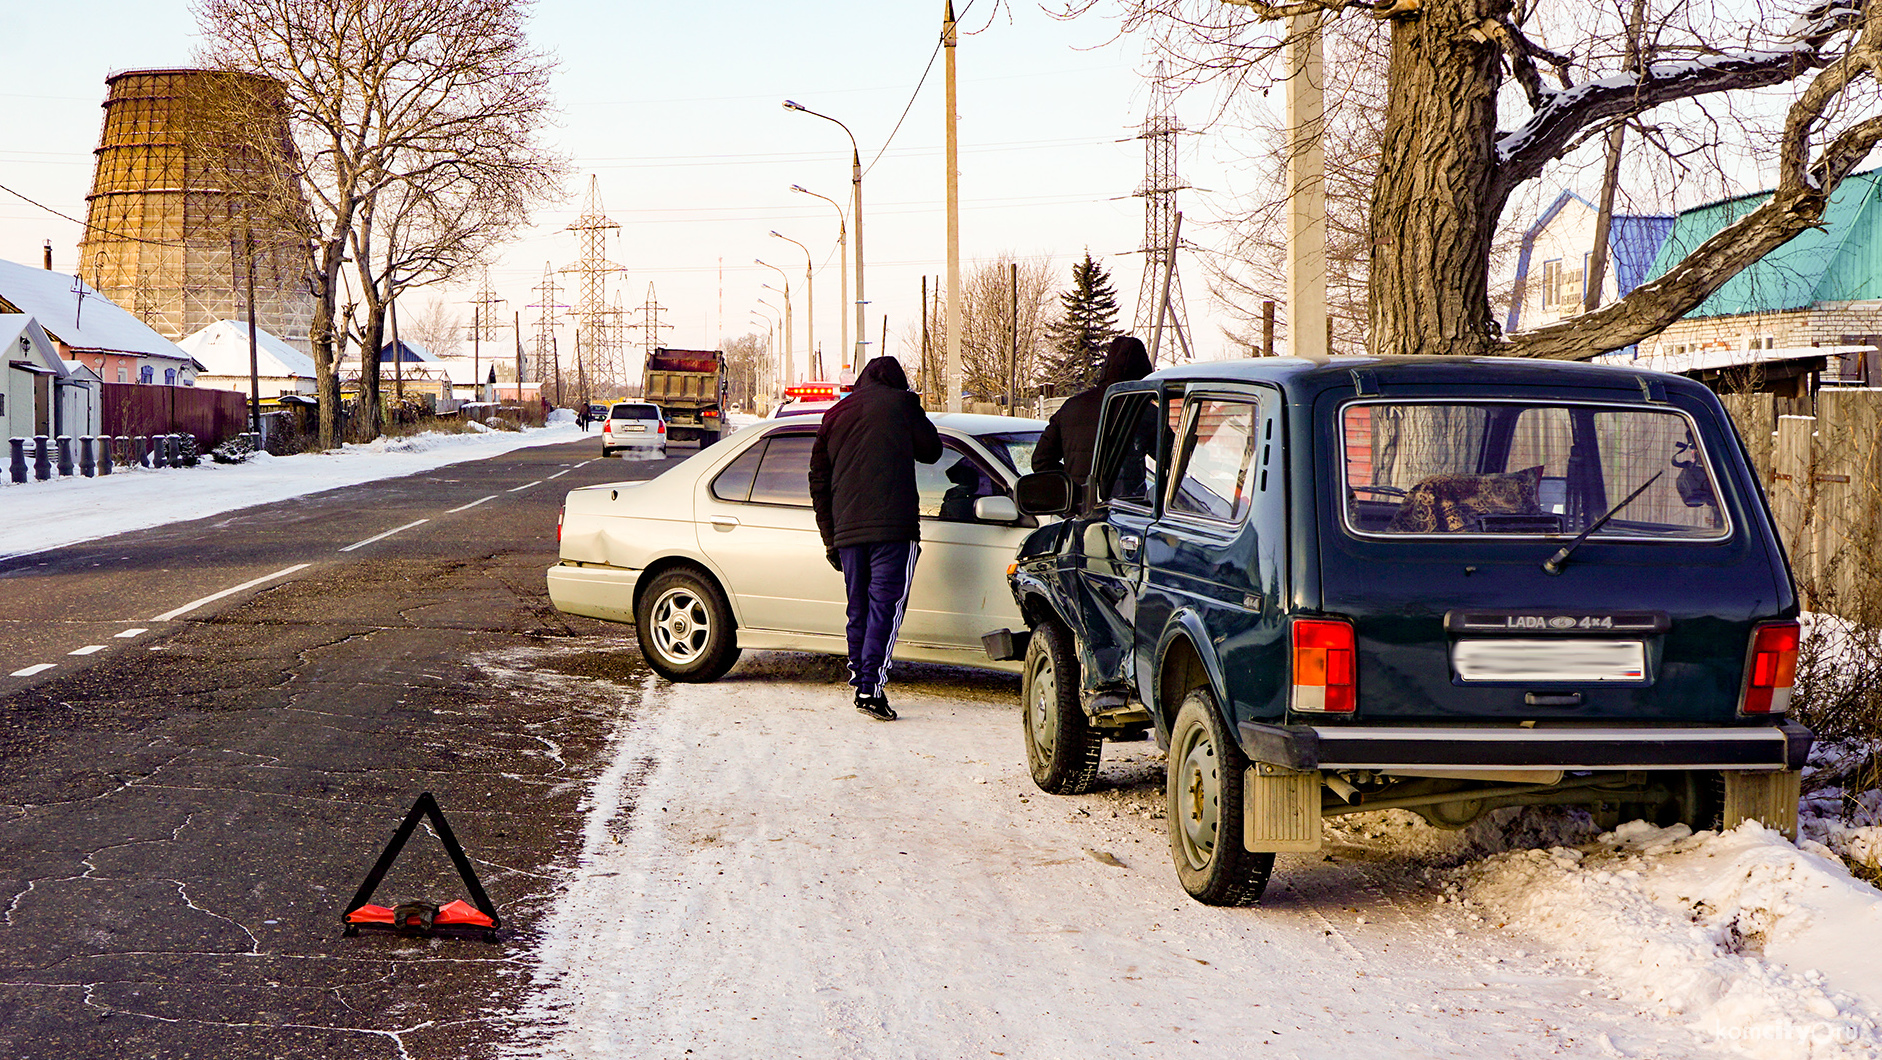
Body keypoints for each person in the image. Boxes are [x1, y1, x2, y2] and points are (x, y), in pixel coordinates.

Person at [809, 356, 943, 721]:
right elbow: (932, 451)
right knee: (885, 608)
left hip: (849, 532)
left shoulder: (835, 415)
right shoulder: (902, 405)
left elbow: (818, 482)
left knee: (859, 608)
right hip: (894, 531)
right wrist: (913, 404)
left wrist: (831, 539)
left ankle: (860, 679)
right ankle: (870, 689)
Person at [1031, 334, 1153, 503]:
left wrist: (1073, 489)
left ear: (1106, 366)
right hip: (1128, 513)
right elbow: (1173, 458)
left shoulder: (1071, 408)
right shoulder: (1143, 411)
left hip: (1079, 513)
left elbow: (1041, 460)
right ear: (1144, 372)